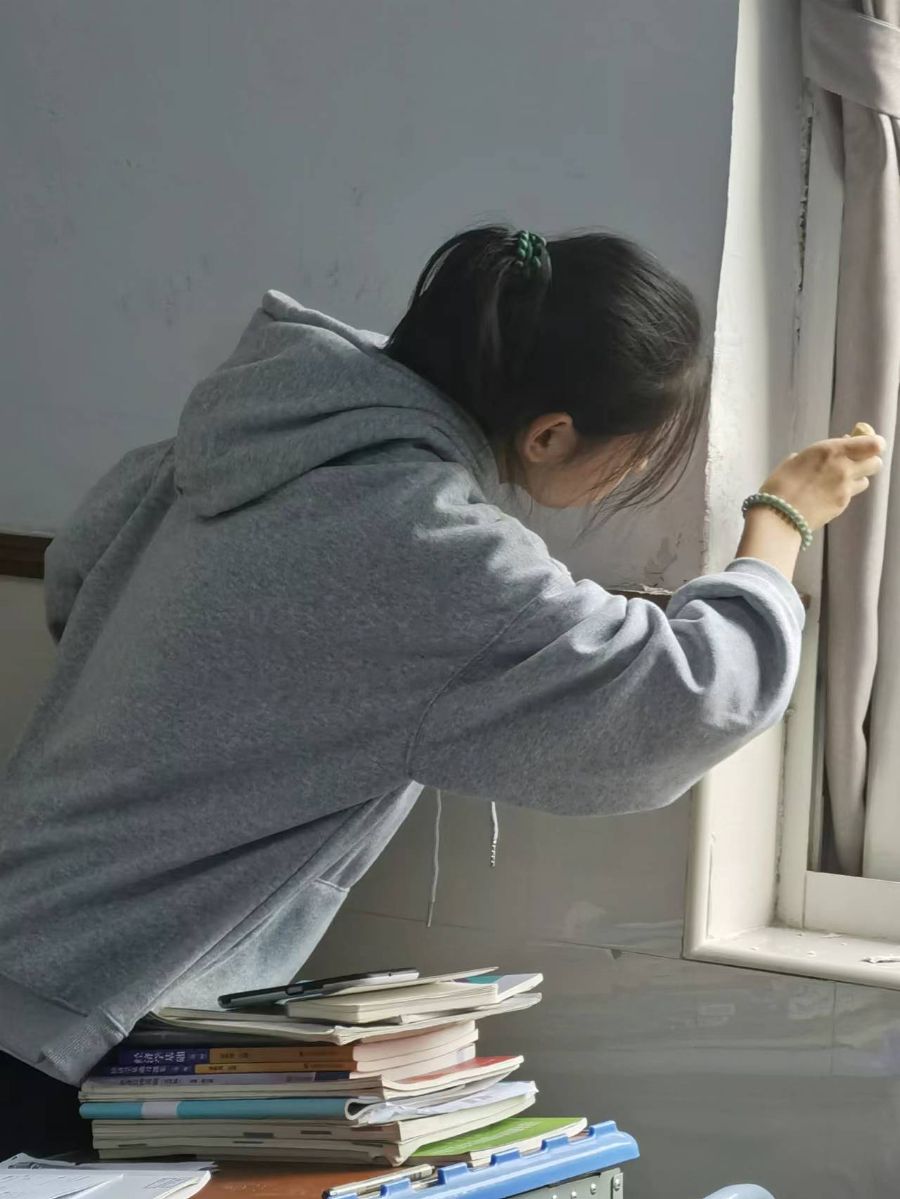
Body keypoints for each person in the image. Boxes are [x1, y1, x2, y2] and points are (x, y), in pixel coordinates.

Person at [0, 226, 884, 1154]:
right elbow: (682, 699)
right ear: (549, 434)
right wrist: (779, 522)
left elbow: (75, 575)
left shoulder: (246, 428)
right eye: (639, 452)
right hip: (74, 1021)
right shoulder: (422, 542)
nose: (633, 474)